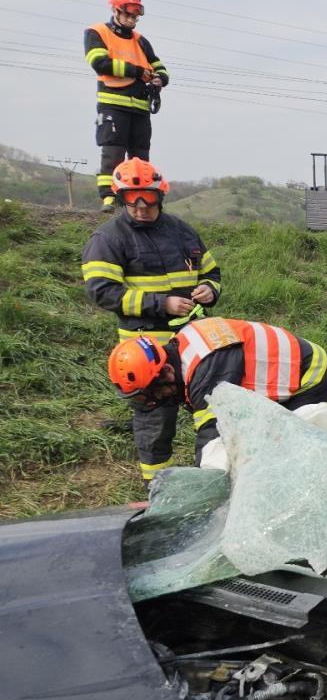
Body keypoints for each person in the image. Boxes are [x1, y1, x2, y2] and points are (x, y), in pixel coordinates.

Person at [81, 158, 220, 481]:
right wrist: (162, 304)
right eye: (131, 198)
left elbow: (212, 272)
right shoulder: (107, 239)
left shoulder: (182, 231)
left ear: (160, 195)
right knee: (155, 423)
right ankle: (158, 487)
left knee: (213, 413)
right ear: (120, 198)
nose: (140, 206)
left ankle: (211, 477)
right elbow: (103, 292)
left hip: (195, 346)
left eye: (147, 197)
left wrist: (209, 290)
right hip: (146, 352)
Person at [106, 319, 327, 464]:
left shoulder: (205, 372)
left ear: (166, 371)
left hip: (309, 376)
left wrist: (204, 491)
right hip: (286, 368)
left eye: (151, 393)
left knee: (287, 447)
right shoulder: (181, 351)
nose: (154, 400)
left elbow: (214, 437)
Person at [84, 0, 170, 210]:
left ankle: (140, 198)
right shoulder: (97, 32)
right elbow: (99, 63)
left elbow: (158, 65)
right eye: (129, 15)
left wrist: (161, 78)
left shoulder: (141, 41)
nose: (133, 20)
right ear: (116, 11)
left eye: (136, 17)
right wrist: (137, 71)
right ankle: (109, 198)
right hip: (113, 104)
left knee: (140, 158)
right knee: (112, 152)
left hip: (140, 108)